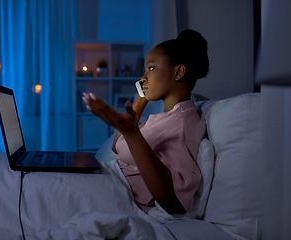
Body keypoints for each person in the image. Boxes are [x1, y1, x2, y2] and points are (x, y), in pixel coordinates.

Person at [82, 29, 209, 216]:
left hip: (115, 193)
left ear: (179, 72)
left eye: (151, 68)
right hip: (107, 181)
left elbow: (176, 204)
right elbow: (118, 146)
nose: (143, 77)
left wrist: (132, 133)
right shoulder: (166, 116)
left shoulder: (183, 122)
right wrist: (142, 98)